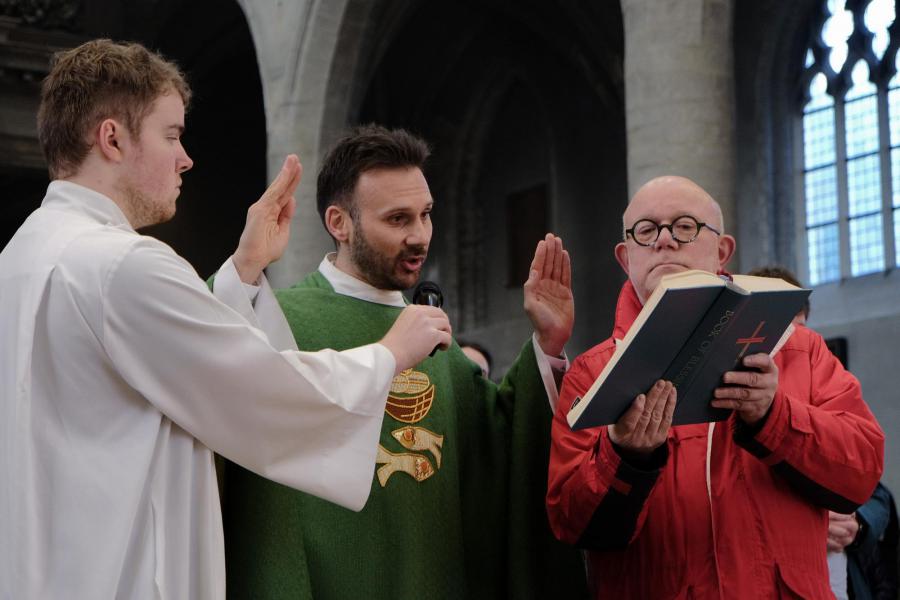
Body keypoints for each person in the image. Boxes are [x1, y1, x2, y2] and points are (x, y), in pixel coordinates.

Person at [0, 40, 451, 599]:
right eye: (171, 135)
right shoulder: (122, 263)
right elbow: (265, 393)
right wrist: (391, 353)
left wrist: (244, 267)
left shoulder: (21, 256)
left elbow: (174, 364)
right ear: (112, 138)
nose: (185, 157)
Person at [221, 125, 588, 599]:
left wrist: (545, 345)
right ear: (340, 223)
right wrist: (245, 267)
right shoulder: (279, 323)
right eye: (397, 220)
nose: (420, 236)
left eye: (426, 215)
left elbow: (498, 449)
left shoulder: (432, 335)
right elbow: (205, 358)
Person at [546, 175, 885, 598]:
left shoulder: (800, 350)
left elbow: (862, 471)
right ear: (625, 256)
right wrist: (625, 457)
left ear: (722, 250)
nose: (664, 241)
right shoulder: (592, 372)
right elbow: (570, 523)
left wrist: (773, 416)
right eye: (646, 230)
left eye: (684, 226)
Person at [750, 265, 899, 600]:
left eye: (799, 330)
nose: (792, 345)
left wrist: (856, 524)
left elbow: (875, 490)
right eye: (780, 332)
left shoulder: (824, 381)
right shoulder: (738, 396)